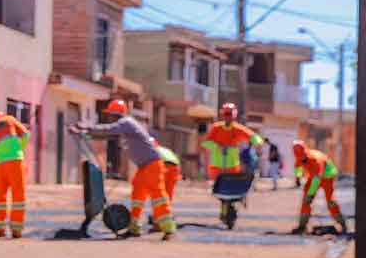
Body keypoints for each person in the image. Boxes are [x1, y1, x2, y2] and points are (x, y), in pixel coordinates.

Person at [71, 99, 176, 240]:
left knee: (158, 197)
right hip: (144, 167)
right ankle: (134, 228)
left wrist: (84, 127)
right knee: (137, 196)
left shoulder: (126, 122)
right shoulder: (125, 125)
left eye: (111, 114)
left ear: (116, 114)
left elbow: (109, 129)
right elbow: (108, 133)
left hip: (153, 165)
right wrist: (84, 132)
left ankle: (168, 229)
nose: (110, 117)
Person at [0, 111, 29, 238]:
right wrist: (19, 148)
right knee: (18, 193)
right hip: (14, 161)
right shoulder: (9, 119)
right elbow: (25, 135)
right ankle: (16, 229)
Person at [290, 140, 346, 234]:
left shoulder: (315, 159)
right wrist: (298, 177)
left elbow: (317, 179)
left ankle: (342, 224)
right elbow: (297, 167)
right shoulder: (299, 156)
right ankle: (302, 226)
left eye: (302, 157)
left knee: (330, 201)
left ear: (305, 152)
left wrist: (310, 195)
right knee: (305, 201)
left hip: (327, 176)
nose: (300, 158)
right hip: (314, 176)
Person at [201, 103, 263, 180]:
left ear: (234, 115)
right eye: (226, 114)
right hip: (216, 165)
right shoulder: (216, 127)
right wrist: (217, 147)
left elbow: (253, 136)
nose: (228, 117)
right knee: (217, 188)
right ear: (223, 115)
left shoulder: (238, 129)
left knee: (232, 188)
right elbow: (205, 143)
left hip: (232, 166)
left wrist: (258, 144)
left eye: (230, 114)